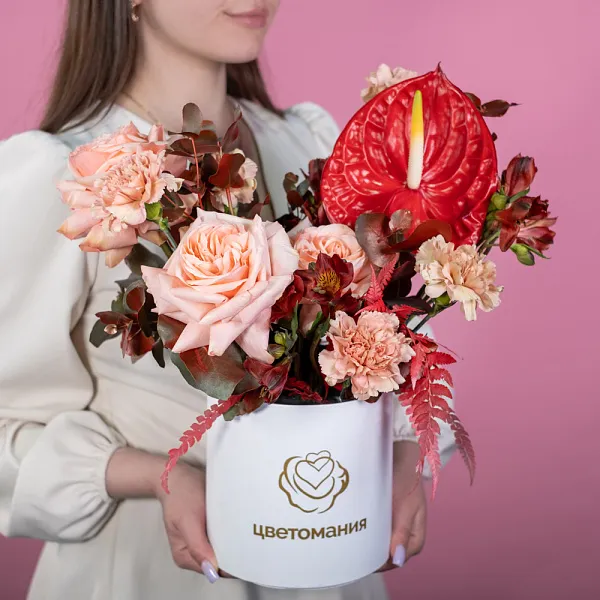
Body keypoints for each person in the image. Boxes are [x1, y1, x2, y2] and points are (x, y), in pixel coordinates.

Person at [0, 1, 457, 599]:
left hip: (328, 557)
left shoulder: (311, 142)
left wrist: (401, 450)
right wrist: (158, 477)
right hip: (146, 572)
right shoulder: (66, 179)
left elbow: (391, 347)